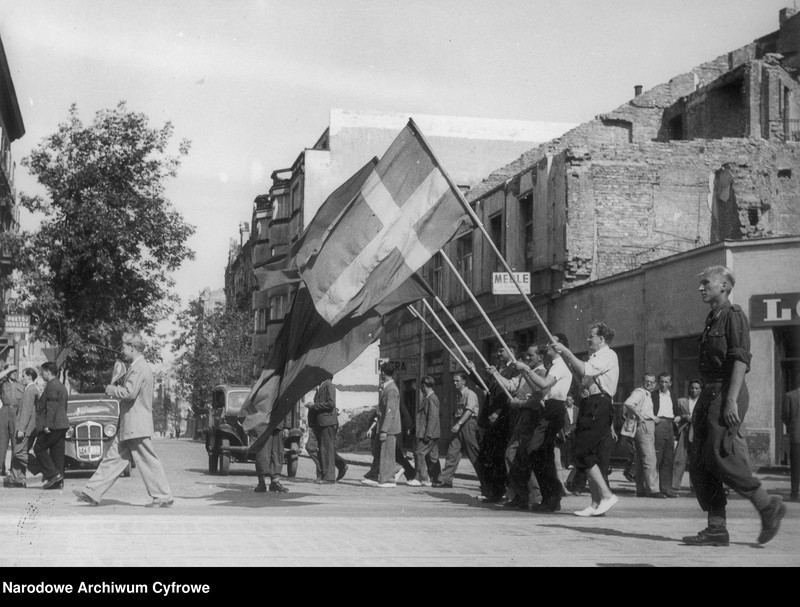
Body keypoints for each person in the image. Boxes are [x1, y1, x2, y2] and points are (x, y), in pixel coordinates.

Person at [683, 266, 785, 546]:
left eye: (707, 283)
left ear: (725, 286)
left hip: (728, 390)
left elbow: (740, 359)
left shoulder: (734, 315)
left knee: (721, 455)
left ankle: (768, 506)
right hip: (708, 393)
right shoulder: (711, 318)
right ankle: (716, 528)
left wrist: (730, 400)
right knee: (701, 462)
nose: (701, 288)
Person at [73, 332, 174, 507]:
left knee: (147, 460)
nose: (122, 350)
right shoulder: (139, 367)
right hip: (131, 424)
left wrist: (112, 390)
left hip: (136, 424)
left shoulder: (138, 368)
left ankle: (163, 495)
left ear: (133, 348)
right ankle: (92, 491)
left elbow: (129, 393)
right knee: (113, 459)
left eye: (124, 347)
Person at [551, 322, 620, 517]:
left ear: (601, 339)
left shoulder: (607, 355)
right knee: (591, 453)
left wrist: (566, 351)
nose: (588, 339)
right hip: (591, 402)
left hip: (598, 405)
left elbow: (584, 370)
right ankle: (596, 502)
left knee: (582, 451)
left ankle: (606, 495)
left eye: (591, 336)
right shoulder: (596, 357)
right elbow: (584, 379)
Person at [511, 334, 573, 512]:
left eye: (551, 343)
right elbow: (541, 388)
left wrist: (526, 369)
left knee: (535, 451)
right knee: (542, 454)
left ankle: (552, 494)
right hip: (549, 408)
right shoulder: (554, 365)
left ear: (560, 346)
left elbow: (544, 383)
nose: (547, 346)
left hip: (555, 409)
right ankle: (551, 497)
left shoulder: (561, 364)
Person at [488, 346, 543, 509]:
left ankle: (534, 494)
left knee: (519, 455)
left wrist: (519, 403)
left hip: (531, 415)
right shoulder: (526, 373)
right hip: (520, 416)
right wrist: (496, 374)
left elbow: (538, 396)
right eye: (526, 355)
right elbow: (511, 385)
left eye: (531, 355)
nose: (527, 358)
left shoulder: (541, 373)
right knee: (511, 454)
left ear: (540, 357)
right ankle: (522, 494)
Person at [476, 346, 516, 502]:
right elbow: (486, 386)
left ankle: (500, 490)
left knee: (498, 455)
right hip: (491, 418)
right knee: (487, 455)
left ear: (512, 352)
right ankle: (493, 491)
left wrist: (498, 412)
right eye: (498, 351)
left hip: (502, 418)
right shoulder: (499, 370)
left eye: (502, 350)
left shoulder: (514, 369)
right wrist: (472, 371)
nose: (498, 353)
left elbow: (509, 394)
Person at [434, 370, 482, 490]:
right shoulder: (457, 394)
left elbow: (469, 410)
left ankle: (486, 482)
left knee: (474, 453)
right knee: (452, 451)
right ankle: (445, 480)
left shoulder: (469, 394)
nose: (455, 383)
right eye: (453, 381)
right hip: (459, 423)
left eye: (457, 381)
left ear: (464, 381)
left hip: (468, 423)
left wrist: (459, 424)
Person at [362, 362, 402, 488]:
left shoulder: (392, 390)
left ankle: (390, 478)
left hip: (389, 428)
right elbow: (381, 412)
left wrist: (384, 430)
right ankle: (374, 475)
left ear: (383, 373)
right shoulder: (386, 389)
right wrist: (374, 427)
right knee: (377, 450)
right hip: (382, 426)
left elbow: (390, 411)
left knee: (387, 453)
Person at [624, 373, 662, 498]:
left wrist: (652, 417)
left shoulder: (646, 394)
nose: (649, 384)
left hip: (646, 424)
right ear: (642, 382)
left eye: (651, 382)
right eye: (647, 381)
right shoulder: (640, 392)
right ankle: (653, 490)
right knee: (650, 458)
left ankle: (642, 489)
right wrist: (640, 417)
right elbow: (629, 403)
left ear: (655, 384)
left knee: (640, 459)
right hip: (644, 426)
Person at [34, 362, 69, 490]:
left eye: (42, 371)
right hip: (62, 424)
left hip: (53, 425)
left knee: (39, 448)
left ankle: (53, 475)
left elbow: (51, 407)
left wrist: (47, 425)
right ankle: (58, 482)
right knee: (57, 453)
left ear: (48, 371)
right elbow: (63, 406)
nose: (41, 374)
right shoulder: (60, 385)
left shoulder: (52, 386)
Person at [305, 378, 347, 484]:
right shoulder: (320, 387)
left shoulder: (329, 385)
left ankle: (328, 477)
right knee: (311, 447)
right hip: (318, 423)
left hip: (327, 422)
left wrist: (314, 406)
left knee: (326, 449)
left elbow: (331, 404)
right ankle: (330, 468)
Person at [4, 368, 39, 488]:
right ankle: (17, 479)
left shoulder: (30, 391)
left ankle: (43, 467)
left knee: (18, 452)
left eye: (23, 376)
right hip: (26, 427)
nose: (21, 378)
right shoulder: (30, 389)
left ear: (29, 377)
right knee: (18, 452)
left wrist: (21, 429)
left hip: (25, 428)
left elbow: (26, 412)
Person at [409, 375, 441, 487]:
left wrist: (428, 434)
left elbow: (432, 418)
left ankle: (421, 478)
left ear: (424, 386)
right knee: (432, 457)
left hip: (429, 434)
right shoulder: (428, 398)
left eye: (421, 386)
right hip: (431, 433)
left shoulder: (431, 398)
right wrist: (413, 429)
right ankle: (437, 479)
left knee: (419, 452)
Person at [651, 372, 678, 497]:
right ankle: (653, 488)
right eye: (661, 381)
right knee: (656, 456)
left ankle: (666, 489)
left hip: (670, 424)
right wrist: (653, 417)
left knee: (668, 457)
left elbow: (676, 410)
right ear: (658, 382)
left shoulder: (672, 395)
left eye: (666, 382)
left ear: (670, 383)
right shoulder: (653, 395)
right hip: (658, 424)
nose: (663, 384)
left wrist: (677, 416)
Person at [672, 378, 701, 493]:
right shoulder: (681, 401)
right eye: (692, 388)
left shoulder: (704, 402)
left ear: (700, 390)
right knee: (679, 458)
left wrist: (694, 418)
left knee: (696, 460)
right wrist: (684, 417)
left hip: (698, 433)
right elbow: (674, 414)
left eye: (697, 388)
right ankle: (674, 485)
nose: (694, 390)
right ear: (688, 389)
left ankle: (695, 486)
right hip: (684, 431)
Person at [254, 424, 290, 493]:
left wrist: (286, 427)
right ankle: (261, 482)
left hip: (278, 425)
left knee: (277, 453)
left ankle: (275, 482)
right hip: (263, 424)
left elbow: (287, 413)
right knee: (262, 453)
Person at [782, 381, 800, 502]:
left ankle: (794, 493)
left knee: (795, 467)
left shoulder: (789, 396)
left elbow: (785, 415)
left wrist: (792, 426)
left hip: (796, 436)